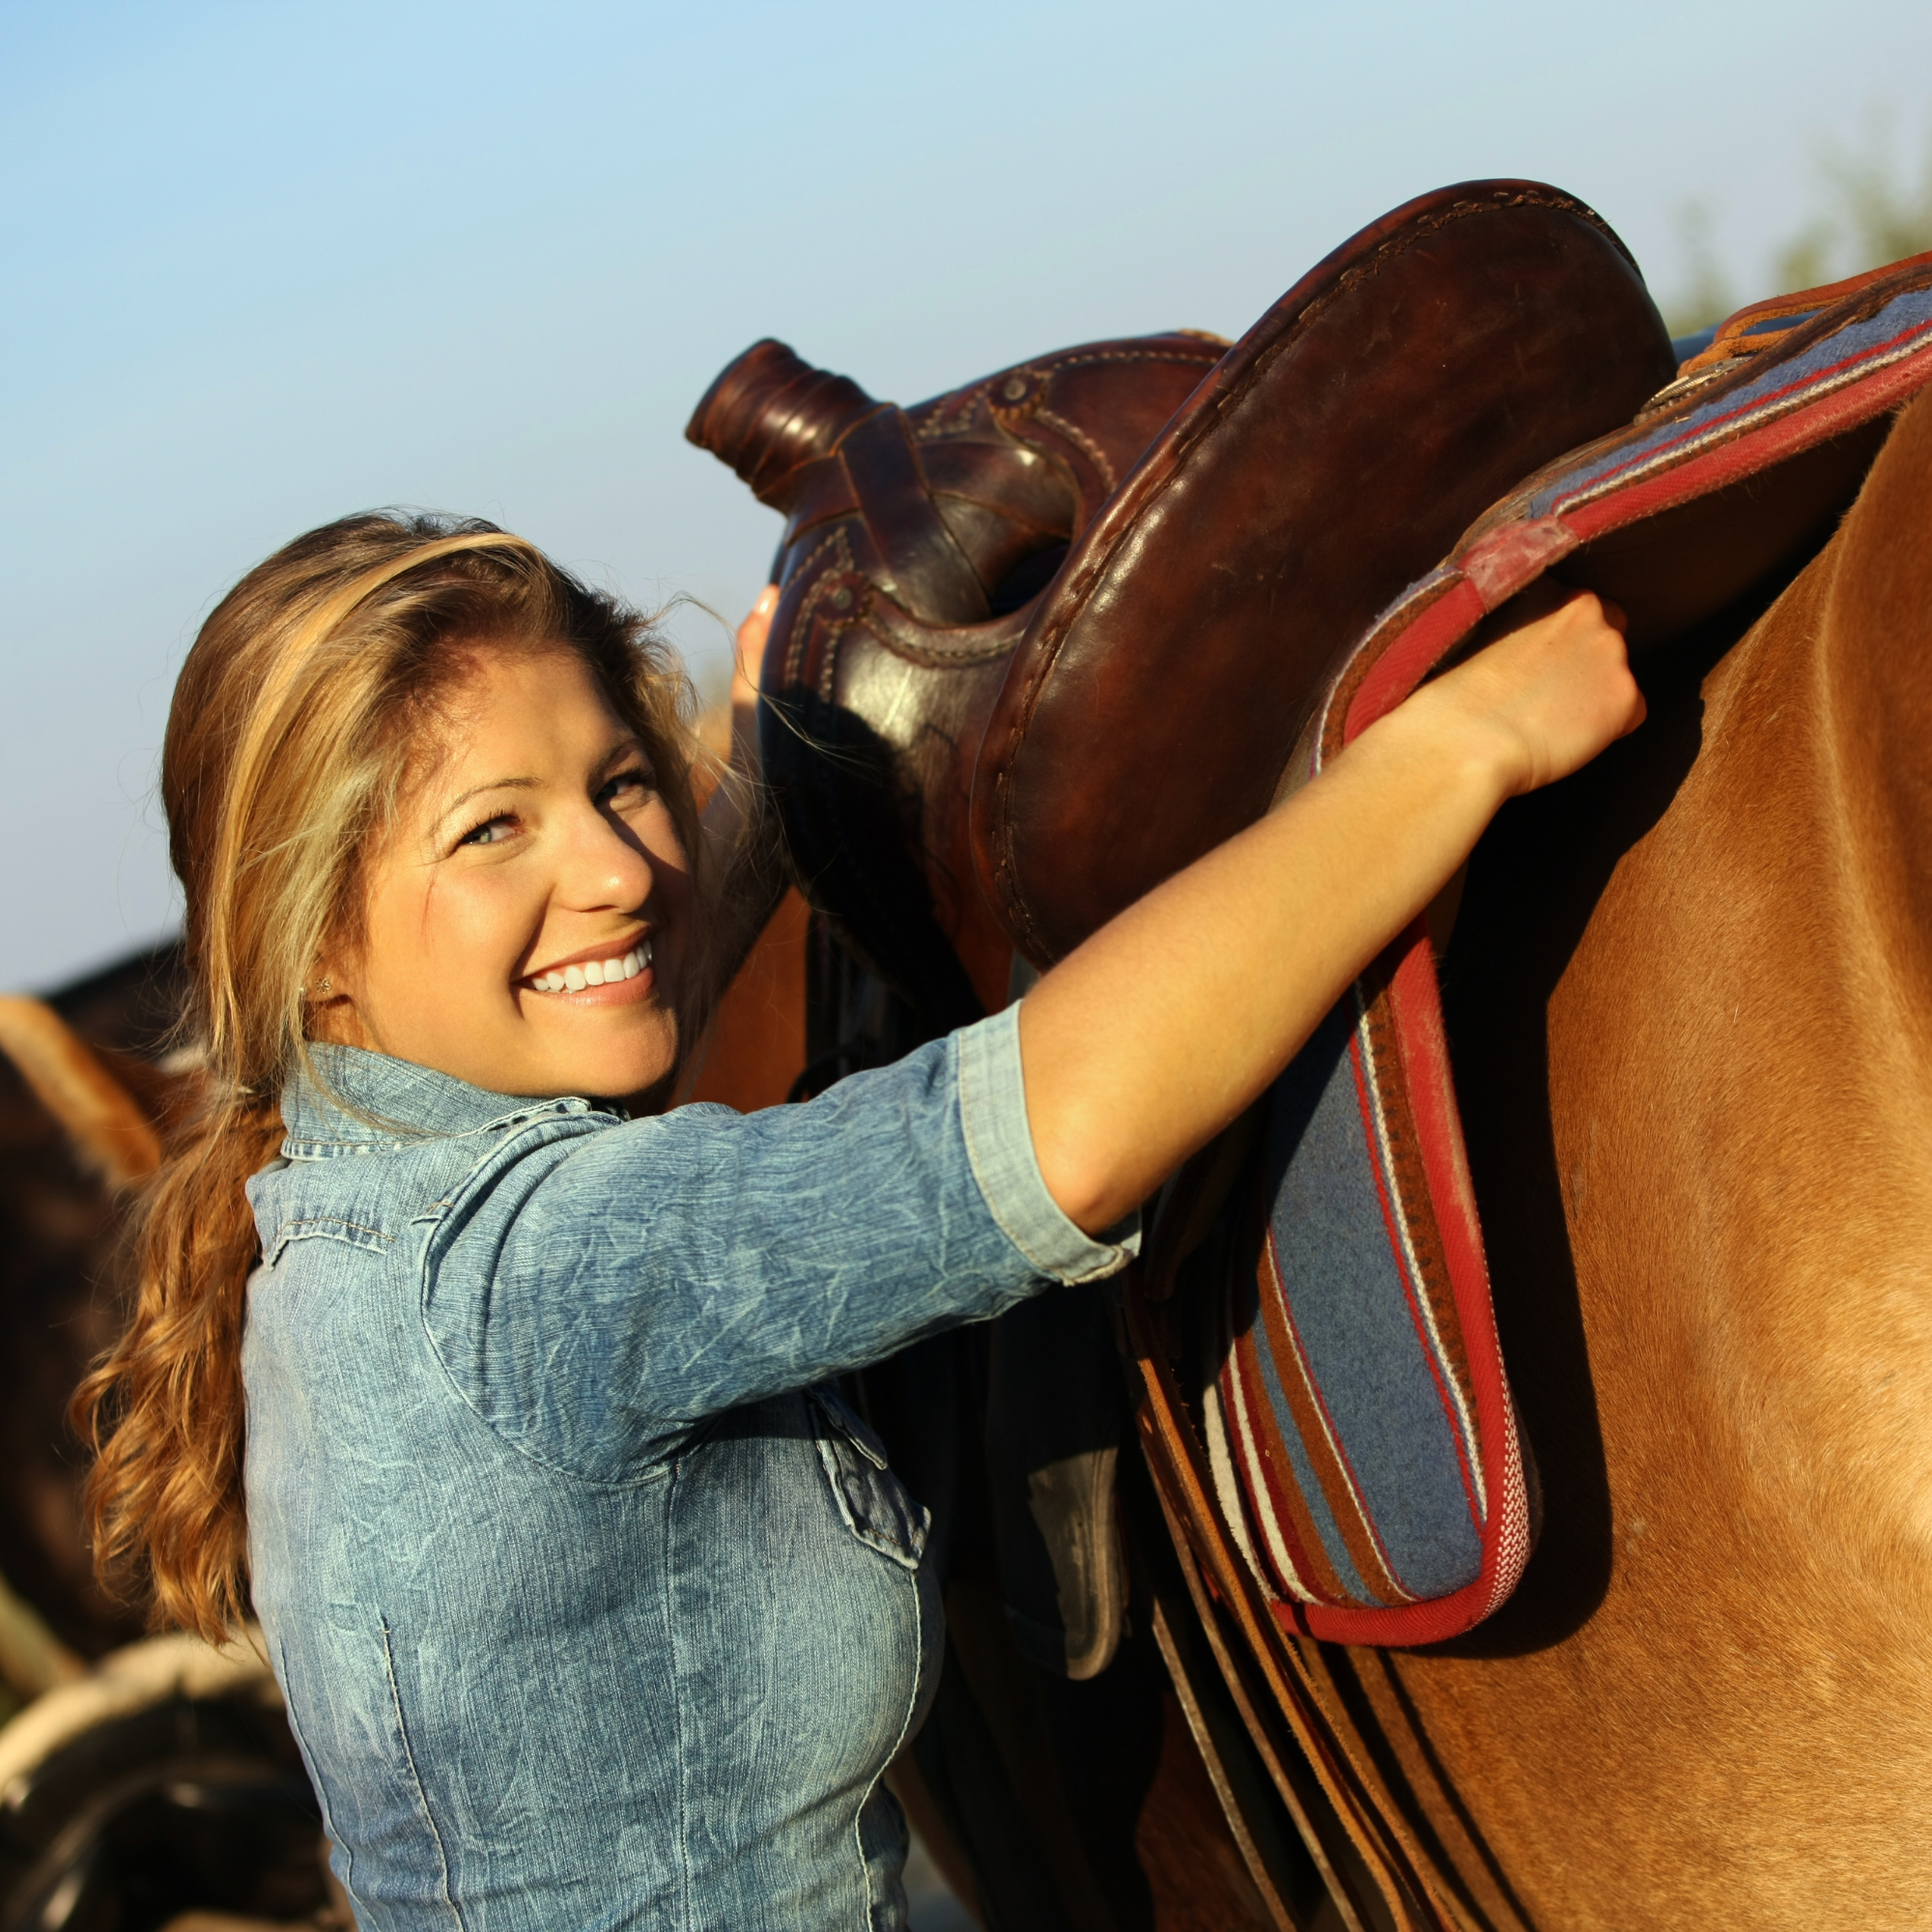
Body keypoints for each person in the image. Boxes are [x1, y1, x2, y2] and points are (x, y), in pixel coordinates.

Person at [78, 511, 1641, 1931]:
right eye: (494, 829)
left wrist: (761, 771)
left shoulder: (349, 1223)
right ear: (309, 948)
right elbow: (1058, 1133)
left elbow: (595, 993)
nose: (618, 867)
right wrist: (1454, 753)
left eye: (621, 782)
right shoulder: (536, 1271)